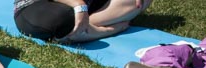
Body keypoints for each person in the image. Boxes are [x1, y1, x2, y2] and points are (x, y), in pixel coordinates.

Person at [13, 0, 152, 42]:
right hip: (39, 5)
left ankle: (82, 28)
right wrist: (78, 4)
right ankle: (93, 31)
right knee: (62, 18)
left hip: (87, 6)